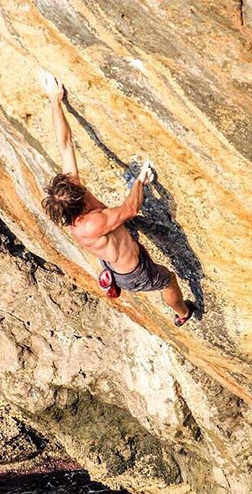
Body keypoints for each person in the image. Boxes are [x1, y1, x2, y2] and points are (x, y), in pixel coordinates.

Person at [40, 73, 193, 326]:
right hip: (133, 271)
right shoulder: (90, 225)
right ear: (77, 204)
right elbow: (131, 208)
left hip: (115, 247)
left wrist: (54, 101)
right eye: (78, 188)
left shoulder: (69, 195)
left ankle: (110, 277)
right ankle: (183, 314)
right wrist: (140, 181)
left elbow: (65, 145)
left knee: (114, 242)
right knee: (168, 279)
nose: (79, 184)